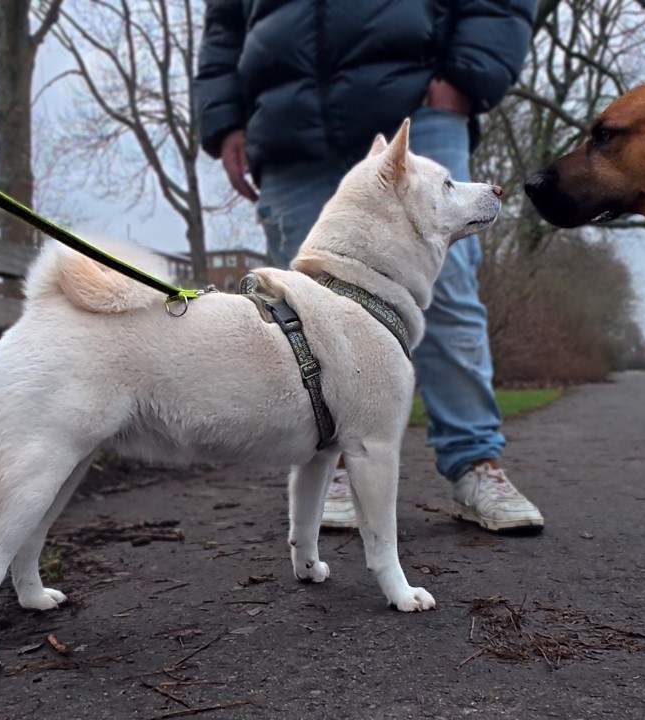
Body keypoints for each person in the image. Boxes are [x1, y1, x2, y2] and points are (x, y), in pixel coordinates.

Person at [194, 0, 543, 534]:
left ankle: (475, 460)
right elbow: (224, 18)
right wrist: (223, 118)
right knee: (306, 310)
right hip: (286, 117)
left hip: (415, 90)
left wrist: (466, 75)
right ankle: (330, 462)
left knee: (444, 294)